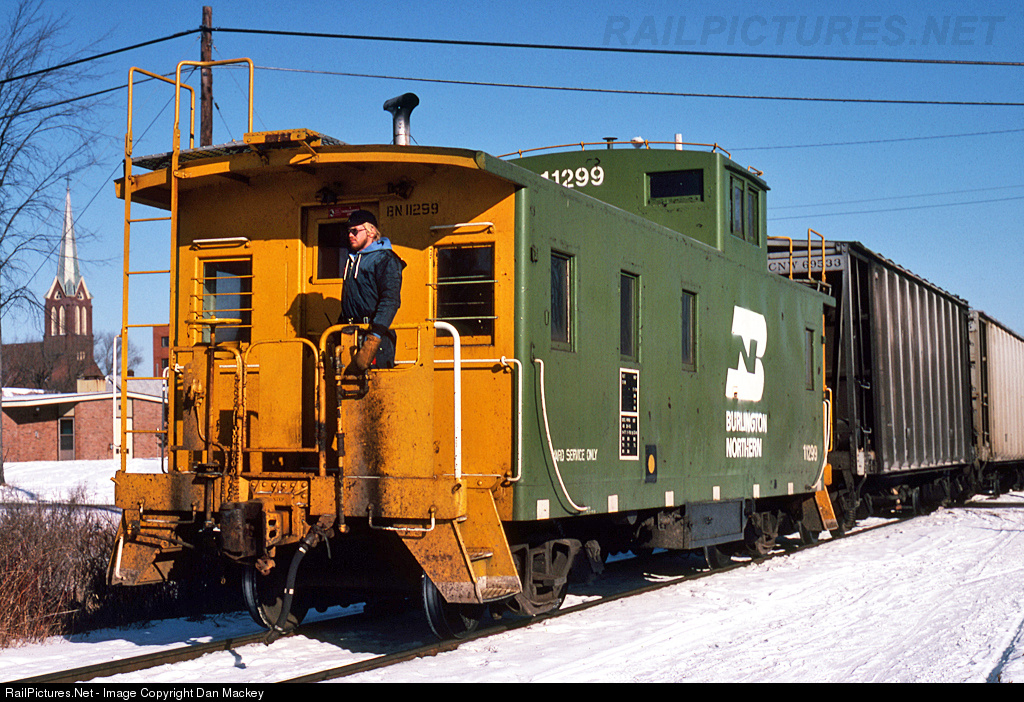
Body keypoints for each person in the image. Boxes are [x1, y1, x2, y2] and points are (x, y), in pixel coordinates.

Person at [339, 210, 405, 373]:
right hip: (352, 335)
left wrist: (374, 339)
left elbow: (390, 301)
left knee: (376, 392)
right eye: (349, 231)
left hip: (375, 337)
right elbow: (353, 300)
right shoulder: (353, 259)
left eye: (355, 231)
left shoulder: (385, 259)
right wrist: (335, 331)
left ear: (371, 231)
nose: (350, 235)